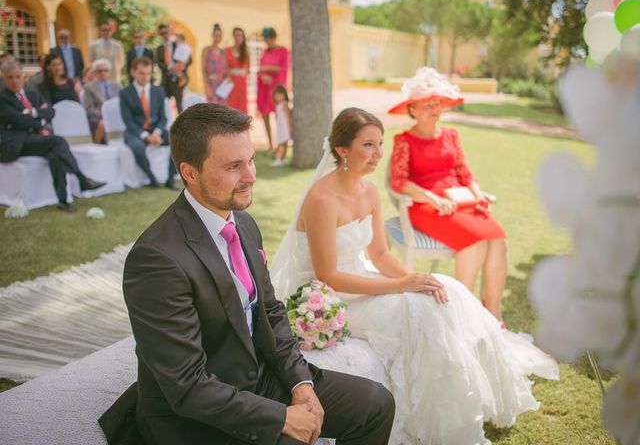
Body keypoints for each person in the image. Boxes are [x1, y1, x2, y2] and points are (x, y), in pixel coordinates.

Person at [99, 103, 395, 445]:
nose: (252, 176)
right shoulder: (156, 260)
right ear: (190, 172)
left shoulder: (243, 222)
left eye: (251, 160)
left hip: (260, 378)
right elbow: (187, 386)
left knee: (376, 403)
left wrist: (301, 383)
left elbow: (270, 311)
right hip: (200, 410)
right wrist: (282, 416)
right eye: (234, 166)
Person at [270, 107, 559, 445]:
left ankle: (462, 407)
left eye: (380, 144)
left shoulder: (370, 192)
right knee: (414, 313)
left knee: (444, 291)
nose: (379, 154)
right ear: (341, 149)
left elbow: (379, 254)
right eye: (368, 145)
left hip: (363, 278)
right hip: (332, 294)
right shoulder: (321, 198)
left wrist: (416, 279)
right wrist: (400, 285)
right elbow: (329, 275)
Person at [388, 67, 508, 321]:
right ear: (413, 110)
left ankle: (493, 314)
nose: (435, 108)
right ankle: (462, 313)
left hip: (460, 202)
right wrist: (433, 198)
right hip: (425, 206)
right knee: (475, 242)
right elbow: (399, 182)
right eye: (428, 104)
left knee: (498, 239)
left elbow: (466, 173)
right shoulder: (404, 141)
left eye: (438, 103)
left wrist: (478, 195)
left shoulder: (451, 135)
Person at [0, 61, 105, 212]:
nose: (15, 81)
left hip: (37, 139)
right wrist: (38, 118)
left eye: (18, 76)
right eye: (10, 78)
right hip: (16, 143)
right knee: (57, 141)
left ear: (23, 77)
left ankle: (63, 201)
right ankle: (82, 179)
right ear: (4, 79)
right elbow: (18, 120)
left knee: (55, 156)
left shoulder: (31, 94)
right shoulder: (2, 98)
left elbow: (50, 112)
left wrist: (33, 113)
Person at [119, 56, 179, 190]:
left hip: (156, 130)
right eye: (141, 73)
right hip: (135, 133)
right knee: (138, 147)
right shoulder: (125, 93)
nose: (145, 77)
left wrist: (157, 132)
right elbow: (128, 120)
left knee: (179, 140)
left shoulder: (158, 91)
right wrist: (146, 136)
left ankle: (171, 178)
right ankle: (152, 179)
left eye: (148, 73)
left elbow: (163, 118)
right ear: (133, 72)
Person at [257, 26, 289, 153]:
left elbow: (282, 69)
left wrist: (265, 69)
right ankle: (270, 145)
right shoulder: (265, 52)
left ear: (274, 37)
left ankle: (281, 146)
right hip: (264, 88)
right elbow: (260, 69)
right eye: (265, 39)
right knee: (265, 115)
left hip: (276, 89)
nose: (266, 41)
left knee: (280, 117)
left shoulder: (283, 51)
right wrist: (263, 74)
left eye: (268, 38)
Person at [83, 59, 121, 144]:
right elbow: (89, 108)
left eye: (106, 70)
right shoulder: (89, 87)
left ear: (110, 72)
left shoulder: (117, 86)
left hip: (117, 115)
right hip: (98, 117)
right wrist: (105, 115)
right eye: (100, 71)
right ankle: (97, 146)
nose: (103, 73)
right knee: (103, 124)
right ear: (95, 73)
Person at [156, 24, 191, 113]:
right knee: (163, 105)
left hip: (178, 80)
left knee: (180, 106)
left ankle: (182, 126)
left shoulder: (178, 44)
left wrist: (179, 67)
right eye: (162, 33)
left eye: (166, 32)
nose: (165, 35)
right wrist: (170, 68)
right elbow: (159, 64)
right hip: (166, 81)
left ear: (170, 31)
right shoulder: (159, 48)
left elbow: (189, 59)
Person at [201, 23, 228, 105]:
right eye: (216, 35)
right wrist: (207, 86)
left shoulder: (223, 52)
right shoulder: (206, 50)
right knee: (212, 110)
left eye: (220, 36)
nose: (218, 38)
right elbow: (203, 70)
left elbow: (226, 70)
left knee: (222, 110)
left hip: (222, 85)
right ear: (212, 36)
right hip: (211, 84)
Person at [225, 26, 249, 113]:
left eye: (240, 35)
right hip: (230, 82)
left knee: (242, 109)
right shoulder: (226, 50)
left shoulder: (246, 53)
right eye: (236, 35)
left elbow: (247, 70)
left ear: (243, 37)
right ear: (233, 36)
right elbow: (223, 67)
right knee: (231, 107)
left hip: (242, 83)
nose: (238, 37)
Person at [270, 85, 292, 167]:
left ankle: (279, 159)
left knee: (283, 143)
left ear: (284, 95)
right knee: (282, 142)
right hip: (280, 127)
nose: (278, 97)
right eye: (277, 95)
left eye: (281, 94)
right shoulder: (278, 105)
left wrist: (289, 127)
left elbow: (288, 116)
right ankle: (281, 158)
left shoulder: (284, 104)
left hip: (284, 127)